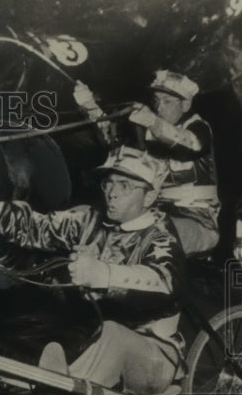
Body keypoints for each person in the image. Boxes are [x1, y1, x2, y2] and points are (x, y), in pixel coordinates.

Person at [0, 146, 187, 395]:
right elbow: (34, 225)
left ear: (150, 197)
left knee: (113, 334)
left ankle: (56, 388)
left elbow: (162, 281)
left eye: (125, 186)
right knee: (33, 315)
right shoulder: (89, 219)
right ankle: (5, 370)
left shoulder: (162, 238)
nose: (112, 194)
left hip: (152, 356)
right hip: (91, 335)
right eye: (109, 183)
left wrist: (102, 274)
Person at [74, 69, 220, 257]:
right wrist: (90, 106)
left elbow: (189, 145)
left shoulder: (199, 128)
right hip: (149, 212)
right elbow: (115, 141)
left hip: (197, 220)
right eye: (156, 101)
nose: (159, 108)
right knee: (92, 221)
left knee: (154, 234)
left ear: (185, 104)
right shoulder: (146, 131)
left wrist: (153, 122)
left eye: (167, 102)